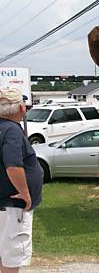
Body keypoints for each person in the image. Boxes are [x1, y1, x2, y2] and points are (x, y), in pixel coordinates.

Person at [0, 88, 43, 273]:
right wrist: (25, 193)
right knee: (13, 255)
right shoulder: (11, 131)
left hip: (3, 203)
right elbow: (13, 165)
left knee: (3, 252)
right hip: (13, 205)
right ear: (21, 108)